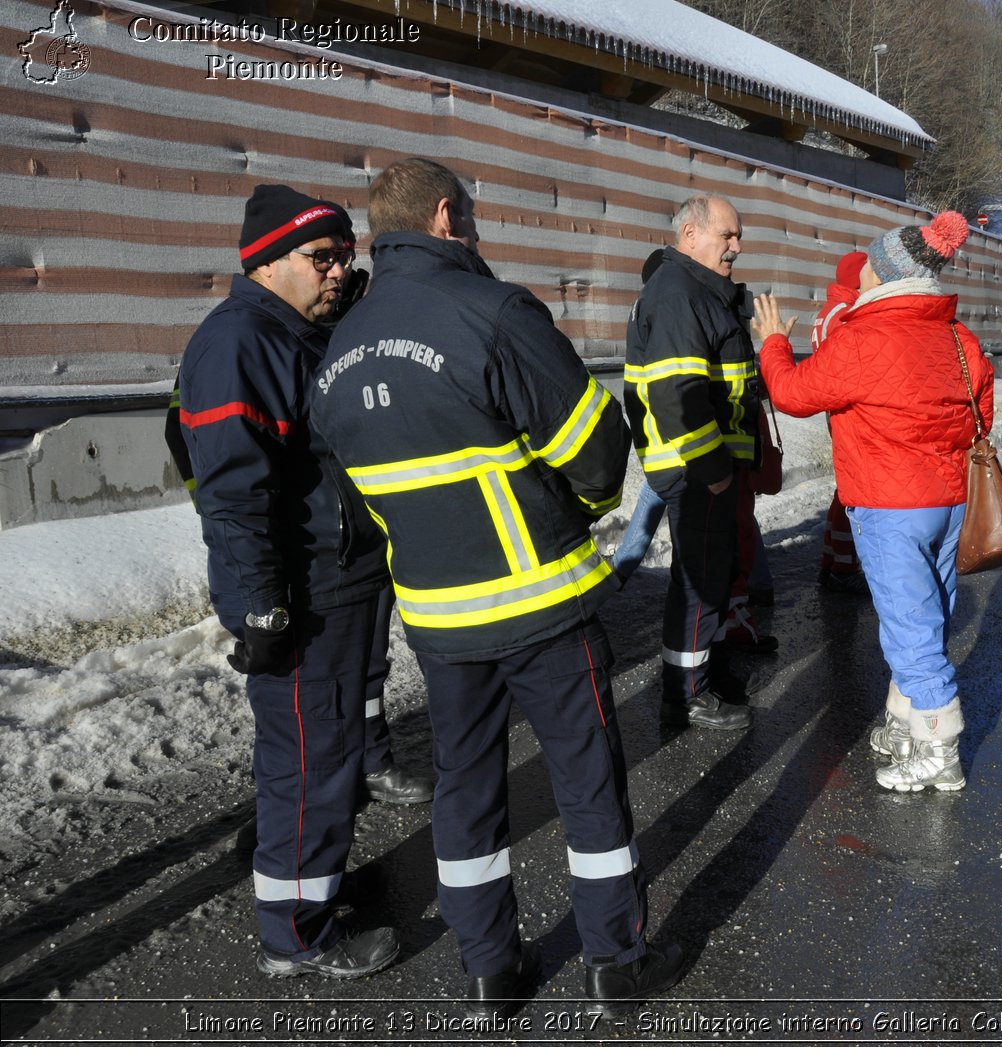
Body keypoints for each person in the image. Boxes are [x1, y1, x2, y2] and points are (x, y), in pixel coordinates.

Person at [309, 158, 685, 1018]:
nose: (476, 230)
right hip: (543, 602)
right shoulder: (496, 312)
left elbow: (357, 501)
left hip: (438, 621)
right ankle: (613, 959)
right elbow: (594, 458)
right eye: (470, 216)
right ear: (447, 217)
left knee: (466, 791)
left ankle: (490, 971)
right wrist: (571, 507)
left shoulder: (337, 352)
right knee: (587, 781)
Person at [170, 184, 405, 980]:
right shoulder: (239, 344)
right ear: (266, 264)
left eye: (346, 254)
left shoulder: (302, 331)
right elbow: (233, 494)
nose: (339, 270)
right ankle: (296, 931)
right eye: (321, 257)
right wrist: (259, 606)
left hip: (343, 576)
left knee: (326, 752)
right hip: (303, 593)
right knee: (310, 758)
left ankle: (314, 881)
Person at [756, 211, 993, 793]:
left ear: (885, 276)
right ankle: (909, 723)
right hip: (950, 498)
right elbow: (980, 415)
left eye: (868, 263)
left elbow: (791, 394)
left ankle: (940, 749)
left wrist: (772, 343)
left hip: (889, 504)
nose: (858, 270)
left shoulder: (861, 338)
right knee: (927, 617)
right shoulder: (958, 336)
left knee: (909, 628)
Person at [624, 195, 761, 730]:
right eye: (727, 235)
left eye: (737, 236)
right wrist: (717, 473)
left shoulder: (694, 291)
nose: (737, 247)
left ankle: (700, 670)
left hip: (703, 469)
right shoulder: (679, 293)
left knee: (708, 572)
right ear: (689, 234)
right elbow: (678, 397)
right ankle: (686, 692)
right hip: (696, 470)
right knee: (700, 580)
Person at [814, 250, 870, 596]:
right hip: (852, 413)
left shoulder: (828, 312)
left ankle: (832, 560)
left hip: (836, 410)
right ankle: (844, 566)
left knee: (845, 488)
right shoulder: (849, 315)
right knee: (855, 491)